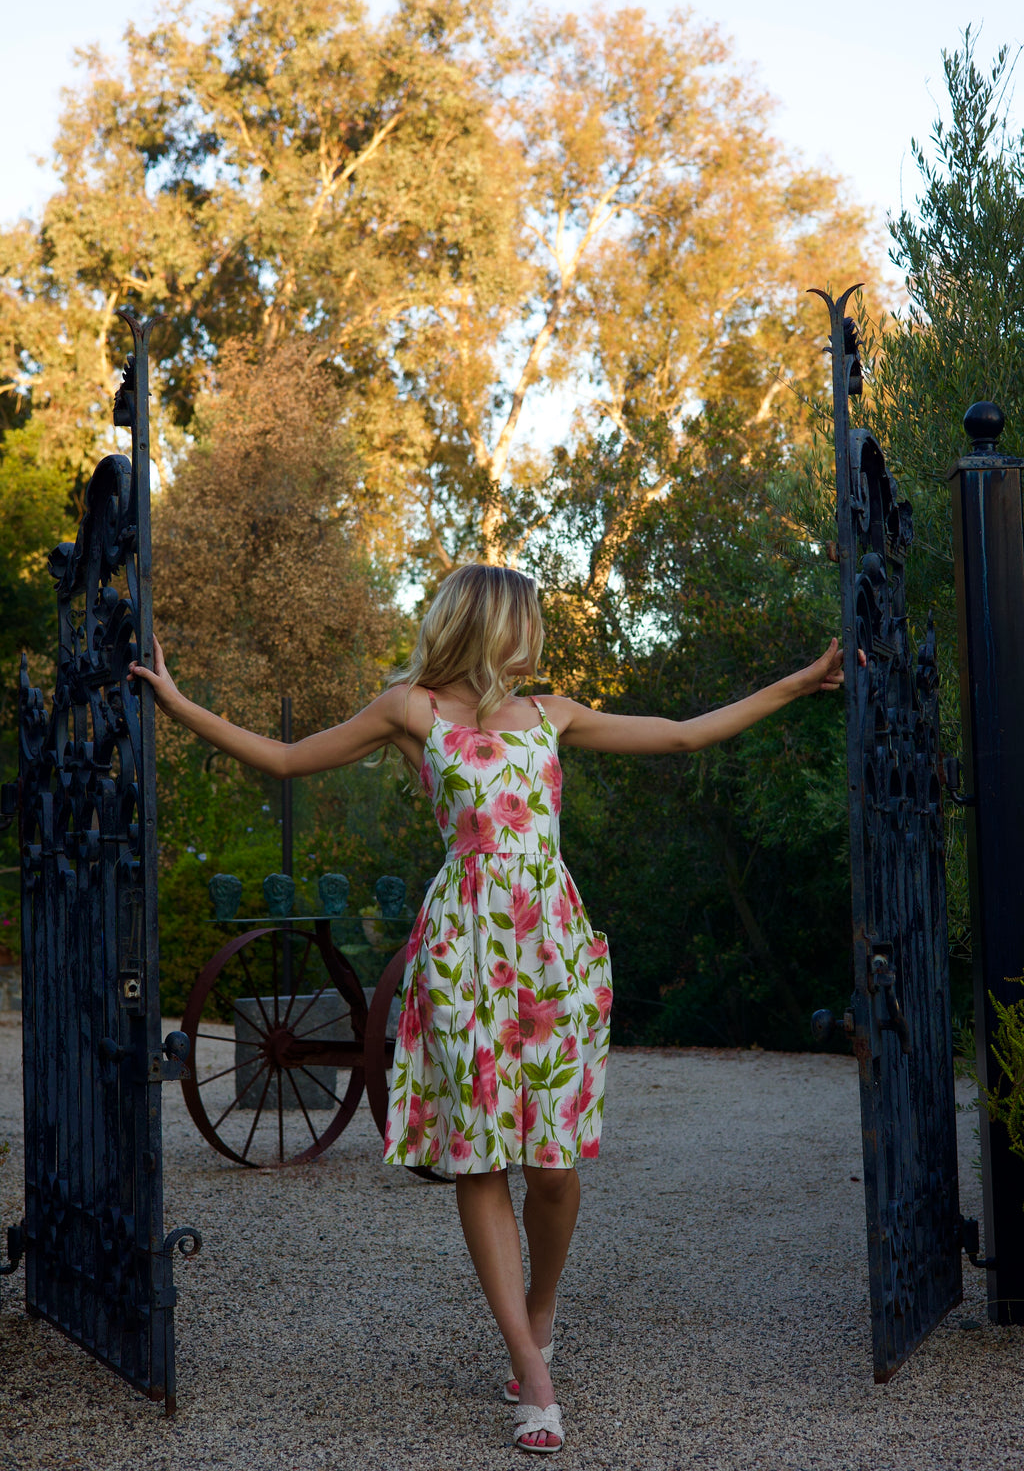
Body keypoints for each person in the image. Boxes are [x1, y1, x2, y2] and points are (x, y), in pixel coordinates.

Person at [130, 563, 853, 1455]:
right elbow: (285, 759)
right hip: (462, 951)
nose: (535, 635)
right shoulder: (412, 710)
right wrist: (178, 703)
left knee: (552, 1165)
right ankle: (532, 1375)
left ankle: (539, 1311)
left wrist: (795, 682)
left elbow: (680, 737)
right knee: (480, 1157)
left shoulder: (554, 713)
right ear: (491, 621)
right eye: (527, 619)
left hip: (554, 950)